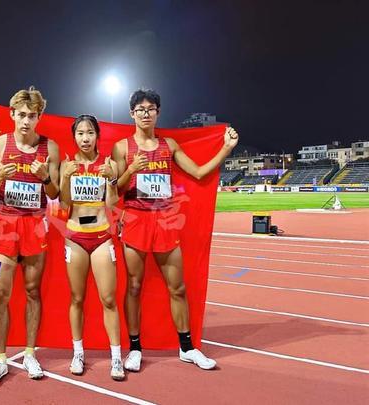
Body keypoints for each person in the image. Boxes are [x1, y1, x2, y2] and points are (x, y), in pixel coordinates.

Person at [112, 89, 238, 372]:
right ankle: (135, 349)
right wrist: (131, 169)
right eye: (140, 109)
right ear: (132, 114)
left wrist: (226, 149)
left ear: (158, 113)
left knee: (177, 287)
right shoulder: (122, 148)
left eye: (151, 108)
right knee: (134, 286)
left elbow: (199, 172)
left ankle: (187, 347)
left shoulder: (168, 145)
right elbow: (115, 189)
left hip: (165, 222)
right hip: (135, 220)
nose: (146, 113)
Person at [0, 87, 60, 386]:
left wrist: (44, 177)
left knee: (32, 291)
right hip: (4, 226)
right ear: (12, 114)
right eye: (22, 115)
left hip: (35, 227)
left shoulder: (50, 148)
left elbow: (55, 192)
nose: (26, 121)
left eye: (32, 116)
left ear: (39, 117)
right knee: (0, 293)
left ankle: (29, 354)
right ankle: (0, 359)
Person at [59, 115, 124, 380]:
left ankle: (116, 357)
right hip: (75, 237)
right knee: (77, 298)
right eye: (80, 133)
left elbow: (112, 204)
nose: (85, 138)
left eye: (90, 133)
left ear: (97, 135)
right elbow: (64, 205)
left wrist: (112, 180)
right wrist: (65, 178)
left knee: (108, 299)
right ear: (74, 136)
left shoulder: (108, 164)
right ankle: (78, 353)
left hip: (101, 237)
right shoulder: (67, 165)